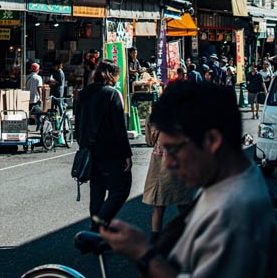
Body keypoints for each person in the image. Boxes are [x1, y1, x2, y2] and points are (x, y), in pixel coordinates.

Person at [100, 81, 277, 278]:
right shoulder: (221, 183)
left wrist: (143, 254)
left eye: (173, 149)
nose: (168, 163)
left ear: (212, 141)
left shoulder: (235, 216)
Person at [75, 59, 132, 231]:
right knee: (121, 190)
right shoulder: (112, 94)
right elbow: (119, 128)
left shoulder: (84, 93)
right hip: (111, 151)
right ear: (112, 74)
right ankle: (97, 227)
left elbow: (77, 124)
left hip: (90, 150)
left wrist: (83, 144)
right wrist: (127, 154)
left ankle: (96, 230)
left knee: (97, 191)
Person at [143, 113, 192, 244]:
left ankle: (155, 238)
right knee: (184, 204)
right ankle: (189, 237)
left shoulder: (154, 117)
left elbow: (149, 141)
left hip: (160, 164)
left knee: (159, 206)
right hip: (180, 163)